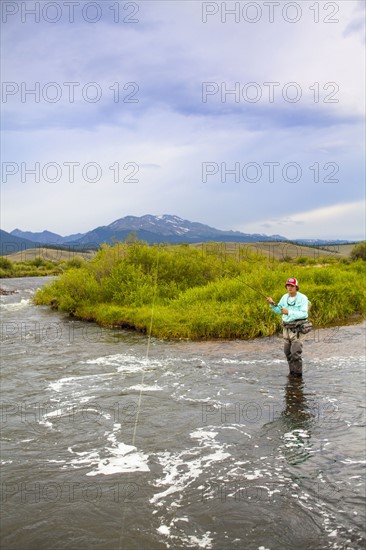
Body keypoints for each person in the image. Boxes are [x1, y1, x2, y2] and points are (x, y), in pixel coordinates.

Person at [266, 277, 309, 377]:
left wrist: (289, 312)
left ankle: (298, 376)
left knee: (295, 353)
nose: (289, 287)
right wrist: (272, 304)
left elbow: (304, 314)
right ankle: (292, 373)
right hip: (286, 328)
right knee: (287, 353)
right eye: (288, 285)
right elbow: (278, 311)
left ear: (296, 287)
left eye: (292, 286)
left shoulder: (303, 298)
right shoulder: (284, 297)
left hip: (298, 329)